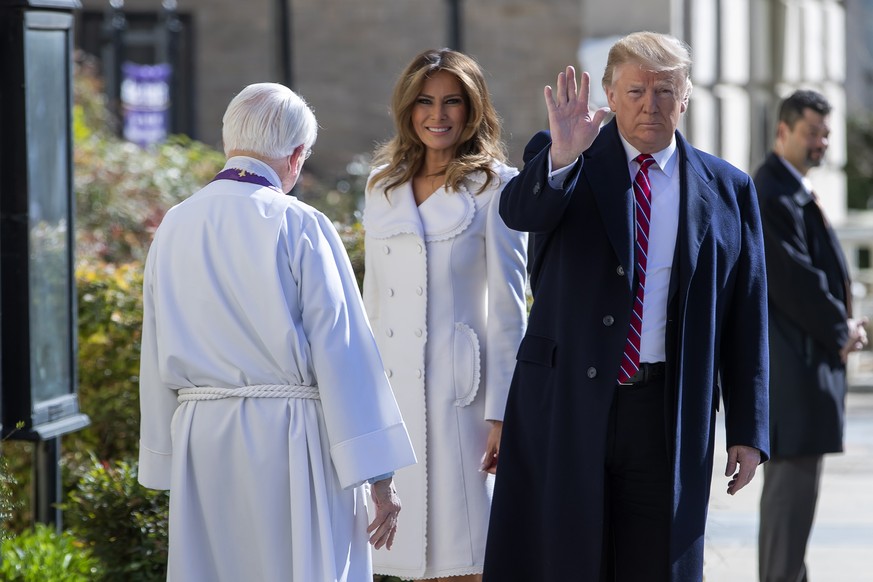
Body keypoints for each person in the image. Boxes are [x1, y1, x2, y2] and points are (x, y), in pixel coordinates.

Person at [483, 31, 770, 582]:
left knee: (655, 564)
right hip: (567, 403)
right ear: (610, 96)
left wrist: (748, 429)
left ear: (684, 98)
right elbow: (519, 215)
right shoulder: (566, 153)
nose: (650, 104)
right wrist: (565, 156)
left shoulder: (728, 188)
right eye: (636, 90)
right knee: (566, 561)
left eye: (665, 91)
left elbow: (745, 316)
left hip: (665, 412)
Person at [137, 82, 417, 582]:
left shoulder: (174, 226)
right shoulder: (300, 224)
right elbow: (343, 351)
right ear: (296, 155)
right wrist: (379, 478)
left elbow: (153, 348)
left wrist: (164, 457)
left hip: (203, 445)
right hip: (292, 441)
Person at [362, 48, 528, 581]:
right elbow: (372, 305)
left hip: (463, 399)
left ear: (473, 108)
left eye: (452, 101)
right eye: (425, 101)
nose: (438, 114)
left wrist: (504, 413)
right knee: (399, 556)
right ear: (408, 110)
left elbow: (509, 306)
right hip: (393, 395)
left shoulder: (496, 186)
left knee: (468, 555)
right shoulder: (381, 187)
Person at [754, 89, 868, 582]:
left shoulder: (793, 186)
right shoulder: (772, 190)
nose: (820, 142)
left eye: (825, 133)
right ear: (783, 131)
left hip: (806, 371)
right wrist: (840, 327)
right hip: (792, 377)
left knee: (797, 513)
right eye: (811, 133)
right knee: (788, 510)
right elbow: (793, 278)